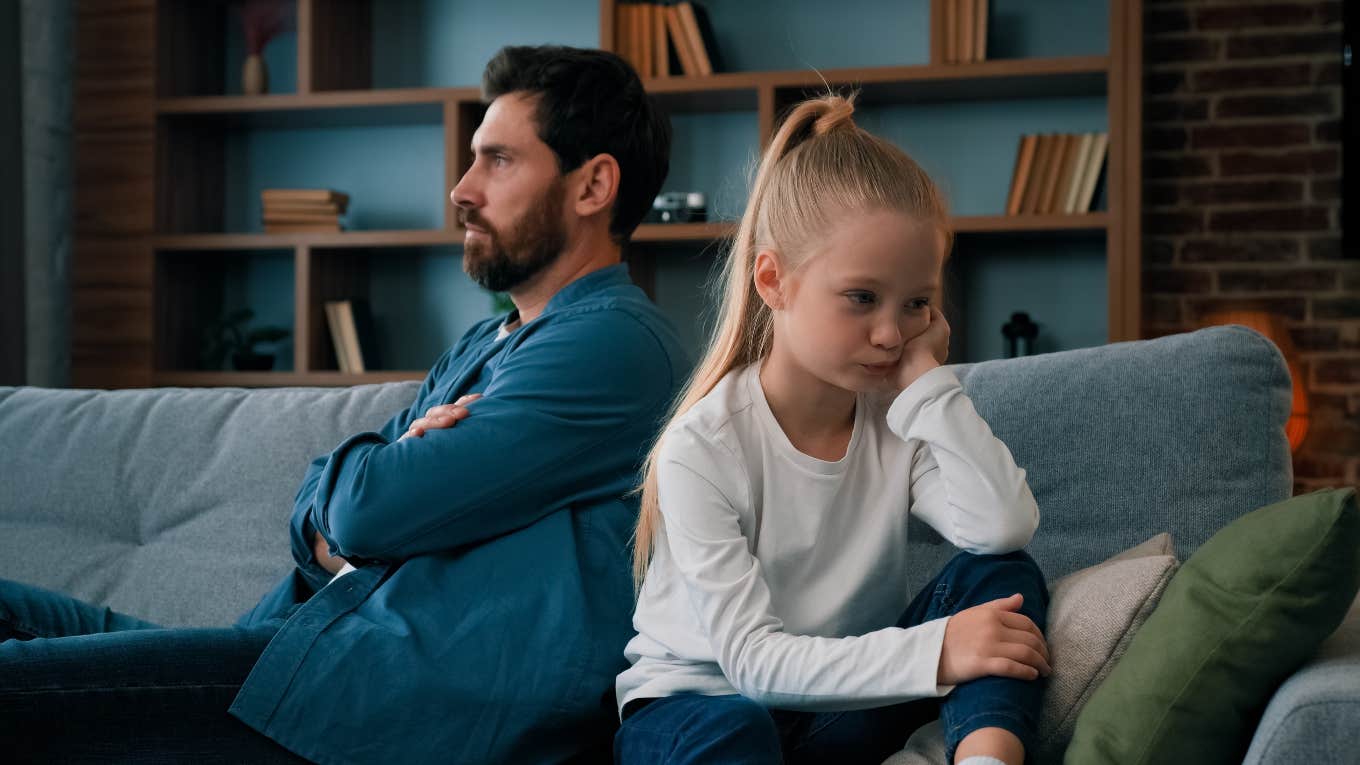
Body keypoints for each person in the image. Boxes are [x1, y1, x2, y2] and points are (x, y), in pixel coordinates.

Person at [0, 45, 684, 763]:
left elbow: (363, 511)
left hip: (366, 698)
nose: (461, 188)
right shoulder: (488, 342)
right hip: (293, 651)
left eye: (499, 160)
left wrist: (376, 486)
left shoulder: (612, 347)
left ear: (593, 185)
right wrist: (381, 477)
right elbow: (324, 511)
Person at [614, 94, 1050, 765]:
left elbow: (1002, 526)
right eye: (862, 298)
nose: (889, 333)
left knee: (1001, 576)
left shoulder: (898, 415)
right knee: (737, 732)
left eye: (916, 304)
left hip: (833, 706)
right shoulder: (703, 447)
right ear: (773, 280)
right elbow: (754, 665)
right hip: (698, 710)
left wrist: (928, 384)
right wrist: (939, 650)